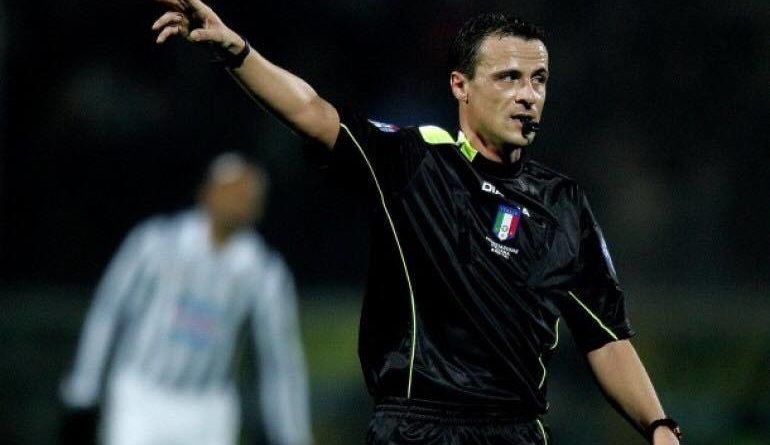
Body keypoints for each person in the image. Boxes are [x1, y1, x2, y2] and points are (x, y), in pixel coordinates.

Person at [150, 1, 683, 444]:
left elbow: (606, 336)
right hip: (416, 428)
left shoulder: (563, 203)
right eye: (509, 77)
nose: (529, 95)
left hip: (516, 431)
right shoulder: (415, 163)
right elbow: (313, 113)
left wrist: (659, 426)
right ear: (461, 86)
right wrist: (236, 51)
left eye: (539, 80)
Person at [59, 153, 313, 445]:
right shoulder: (155, 243)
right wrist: (83, 387)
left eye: (248, 195)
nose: (239, 201)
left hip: (208, 407)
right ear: (207, 191)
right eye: (231, 190)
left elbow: (280, 359)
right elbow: (108, 312)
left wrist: (292, 433)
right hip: (142, 394)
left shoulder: (263, 271)